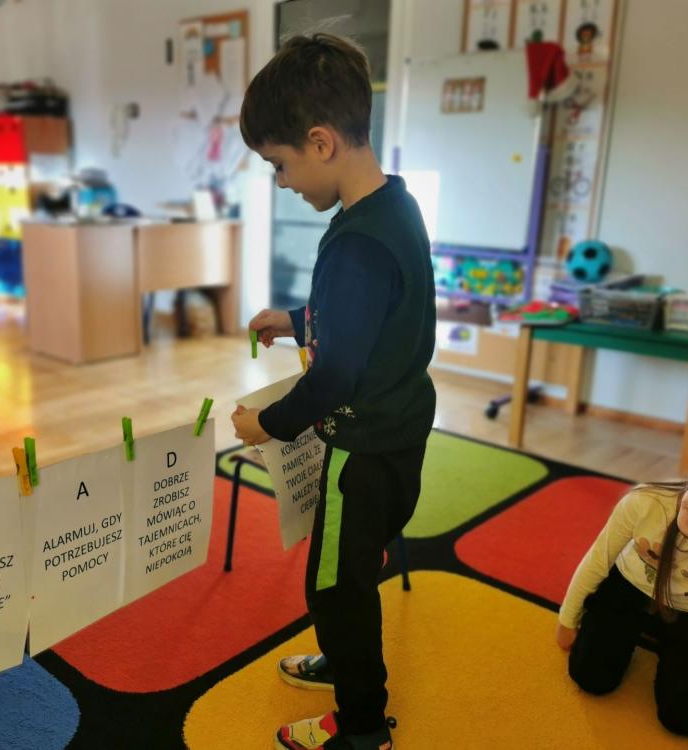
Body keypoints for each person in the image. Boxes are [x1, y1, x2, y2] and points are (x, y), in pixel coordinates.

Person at [231, 33, 436, 750]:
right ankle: (345, 660)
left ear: (320, 142)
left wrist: (268, 422)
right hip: (401, 433)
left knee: (333, 587)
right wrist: (296, 319)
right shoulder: (392, 207)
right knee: (351, 568)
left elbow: (336, 375)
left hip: (363, 450)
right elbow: (374, 312)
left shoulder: (354, 242)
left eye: (279, 165)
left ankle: (361, 725)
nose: (281, 182)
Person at [557, 450, 688, 741]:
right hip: (632, 587)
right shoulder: (646, 502)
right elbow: (597, 560)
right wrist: (567, 619)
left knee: (686, 719)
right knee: (589, 676)